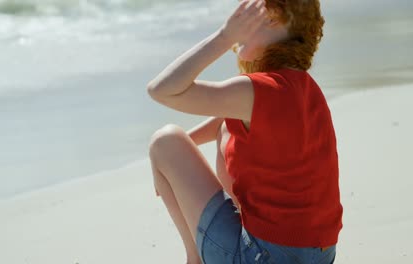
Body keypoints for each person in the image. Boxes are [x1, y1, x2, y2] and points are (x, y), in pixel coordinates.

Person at [147, 0, 343, 263]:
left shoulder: (256, 90)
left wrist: (224, 37)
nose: (237, 22)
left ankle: (195, 259)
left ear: (272, 19)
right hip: (320, 255)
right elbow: (223, 121)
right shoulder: (304, 89)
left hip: (264, 257)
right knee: (220, 132)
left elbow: (162, 90)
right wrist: (171, 166)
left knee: (164, 141)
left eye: (246, 17)